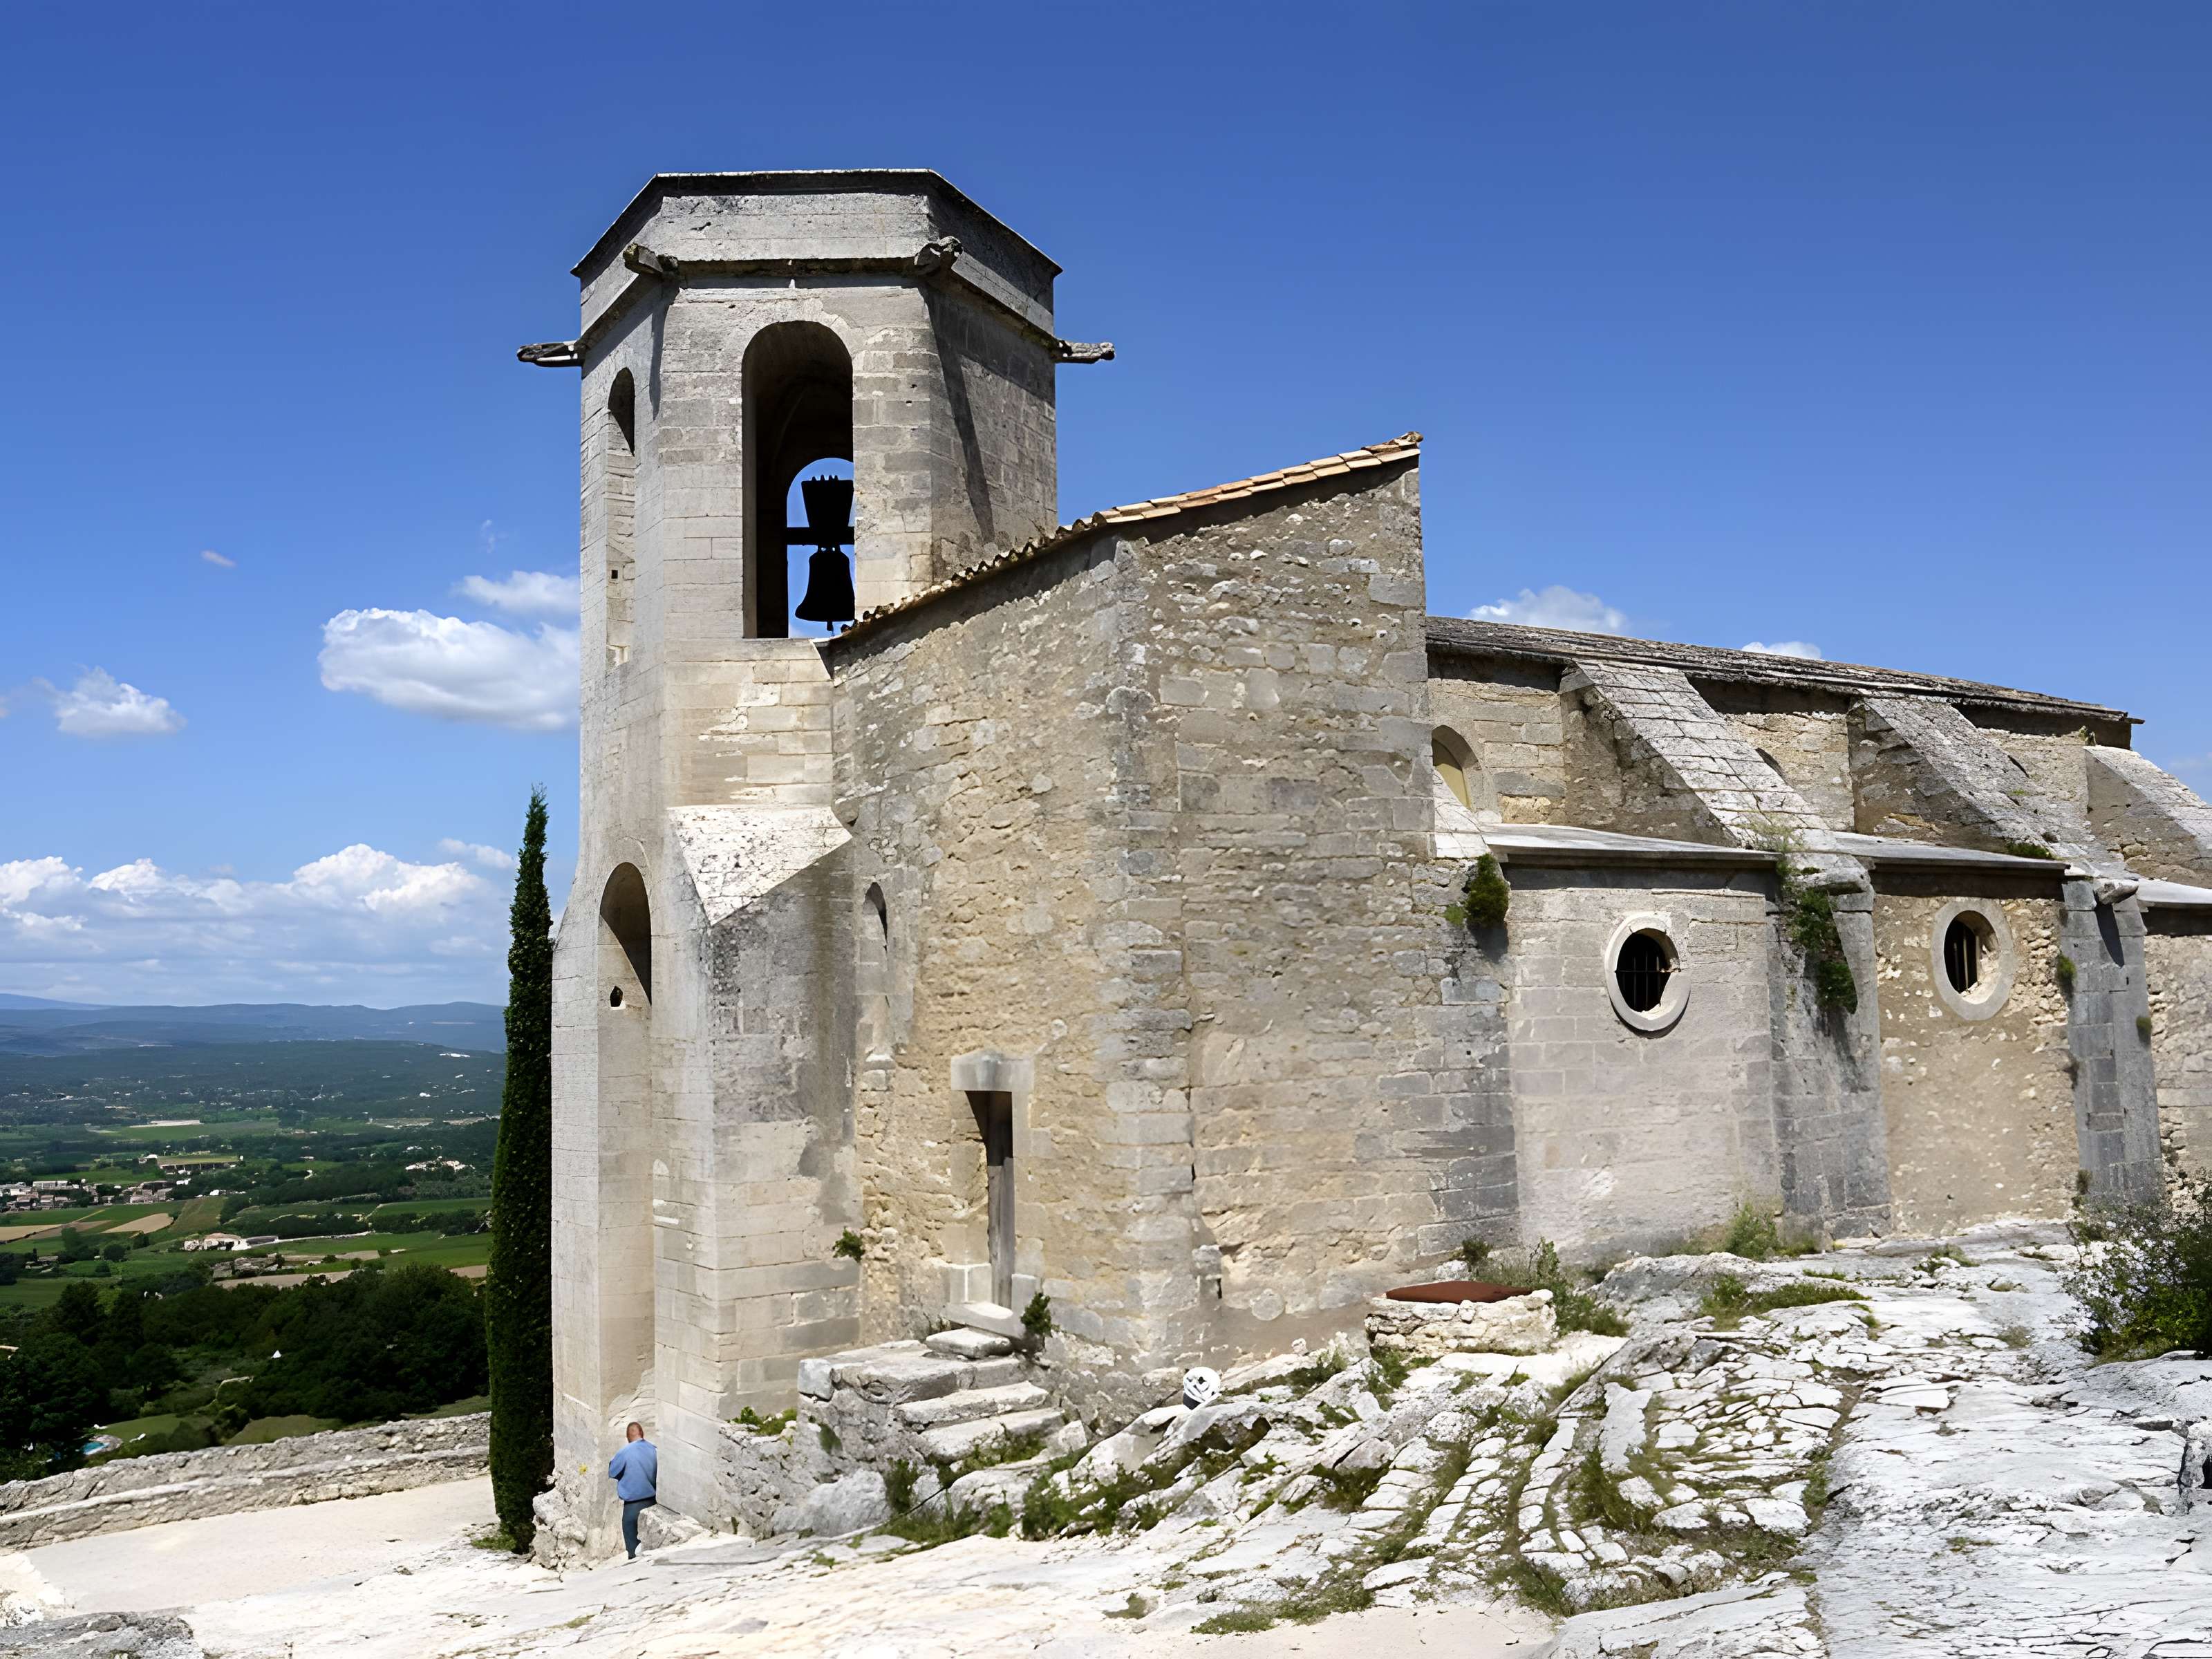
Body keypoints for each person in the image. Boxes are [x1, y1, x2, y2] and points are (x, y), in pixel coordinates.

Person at [608, 1421, 657, 1559]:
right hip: (653, 1501)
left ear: (628, 1437)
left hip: (632, 1505)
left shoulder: (624, 1452)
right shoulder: (654, 1449)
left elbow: (612, 1472)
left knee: (632, 1546)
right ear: (643, 1434)